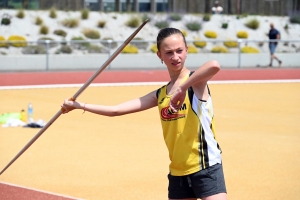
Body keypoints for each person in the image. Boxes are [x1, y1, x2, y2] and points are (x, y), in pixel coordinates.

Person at [61, 27, 227, 200]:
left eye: (179, 51)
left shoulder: (196, 83)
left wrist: (182, 88)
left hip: (206, 166)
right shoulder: (160, 95)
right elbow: (115, 110)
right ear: (159, 56)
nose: (175, 57)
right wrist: (79, 105)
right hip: (178, 171)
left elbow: (214, 65)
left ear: (187, 50)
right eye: (169, 52)